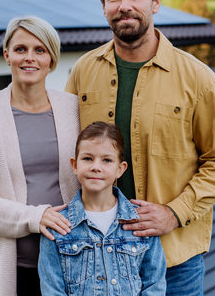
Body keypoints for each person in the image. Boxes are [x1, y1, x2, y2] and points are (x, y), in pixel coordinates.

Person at [65, 0, 215, 295]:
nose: (125, 6)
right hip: (96, 257)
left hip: (173, 259)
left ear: (156, 2)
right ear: (103, 6)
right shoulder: (83, 72)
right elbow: (67, 151)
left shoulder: (198, 80)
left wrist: (174, 213)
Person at [0, 16, 80, 296]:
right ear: (6, 55)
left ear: (52, 59)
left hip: (74, 264)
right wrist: (33, 217)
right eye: (21, 49)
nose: (29, 58)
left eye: (40, 50)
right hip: (16, 269)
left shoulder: (74, 109)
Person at [39, 122, 166, 295]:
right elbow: (52, 290)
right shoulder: (58, 226)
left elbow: (155, 285)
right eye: (88, 159)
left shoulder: (140, 220)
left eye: (106, 160)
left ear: (120, 169)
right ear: (75, 165)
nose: (96, 167)